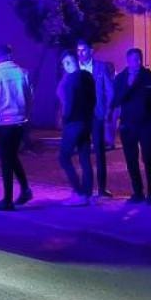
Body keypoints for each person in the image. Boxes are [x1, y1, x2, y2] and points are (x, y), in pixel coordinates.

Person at [111, 48, 151, 204]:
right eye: (133, 59)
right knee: (131, 160)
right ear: (128, 61)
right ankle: (138, 192)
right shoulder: (121, 78)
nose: (137, 62)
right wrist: (128, 85)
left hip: (146, 126)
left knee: (149, 159)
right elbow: (116, 100)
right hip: (128, 125)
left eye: (138, 59)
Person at [0, 44, 33, 211]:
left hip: (3, 123)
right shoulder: (23, 73)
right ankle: (25, 190)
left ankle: (7, 200)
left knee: (6, 160)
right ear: (10, 55)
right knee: (12, 157)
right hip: (20, 122)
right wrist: (26, 115)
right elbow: (30, 96)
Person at [76, 40, 115, 197]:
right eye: (78, 50)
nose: (80, 53)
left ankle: (102, 188)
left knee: (99, 151)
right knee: (83, 152)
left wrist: (107, 111)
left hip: (96, 115)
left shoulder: (100, 67)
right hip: (80, 116)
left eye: (83, 50)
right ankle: (87, 188)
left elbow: (110, 90)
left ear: (91, 51)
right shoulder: (74, 68)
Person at [56, 50, 96, 206]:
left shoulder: (70, 80)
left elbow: (68, 103)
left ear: (67, 63)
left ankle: (79, 192)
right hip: (86, 121)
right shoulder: (88, 77)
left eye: (66, 63)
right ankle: (87, 193)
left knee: (64, 157)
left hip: (73, 122)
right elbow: (93, 99)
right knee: (84, 157)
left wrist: (64, 119)